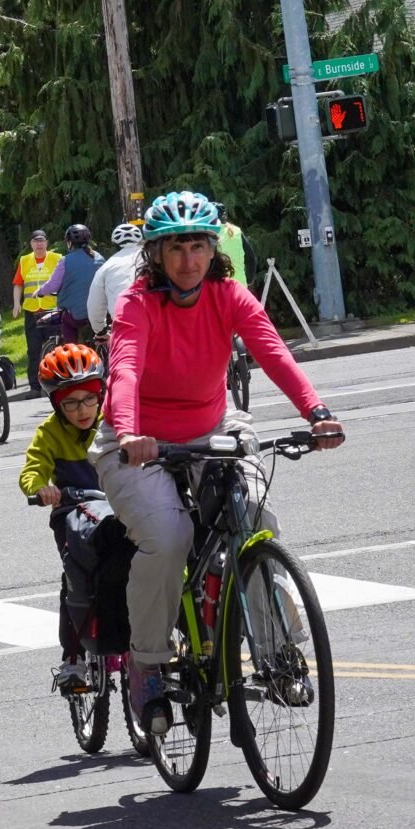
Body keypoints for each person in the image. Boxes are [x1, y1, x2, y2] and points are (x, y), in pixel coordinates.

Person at [87, 191, 344, 735]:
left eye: (199, 246)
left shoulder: (229, 294)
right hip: (137, 440)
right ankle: (147, 664)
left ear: (214, 248)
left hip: (214, 427)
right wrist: (131, 432)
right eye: (176, 247)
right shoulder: (135, 304)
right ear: (155, 254)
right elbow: (125, 369)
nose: (189, 260)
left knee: (254, 521)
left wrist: (317, 412)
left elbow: (272, 350)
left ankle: (277, 656)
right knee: (168, 535)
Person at [18, 344, 124, 692]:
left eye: (90, 399)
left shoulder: (112, 422)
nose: (83, 410)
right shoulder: (49, 433)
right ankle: (73, 659)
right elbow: (32, 470)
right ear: (55, 404)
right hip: (73, 515)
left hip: (117, 509)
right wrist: (41, 488)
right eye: (71, 402)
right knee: (76, 580)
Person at [12, 229, 64, 399]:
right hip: (32, 310)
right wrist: (16, 304)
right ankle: (35, 387)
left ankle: (57, 382)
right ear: (31, 244)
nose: (39, 244)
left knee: (56, 348)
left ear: (47, 243)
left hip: (52, 309)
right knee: (33, 350)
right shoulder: (25, 260)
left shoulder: (57, 259)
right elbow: (18, 284)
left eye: (42, 241)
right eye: (36, 241)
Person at [36, 224, 105, 345]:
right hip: (102, 311)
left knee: (66, 321)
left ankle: (72, 355)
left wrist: (40, 292)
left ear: (69, 242)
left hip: (79, 315)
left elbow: (53, 285)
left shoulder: (65, 261)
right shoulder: (99, 257)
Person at [87, 223, 144, 336]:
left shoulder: (106, 267)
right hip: (158, 323)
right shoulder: (154, 258)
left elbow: (94, 305)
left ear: (115, 245)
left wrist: (100, 330)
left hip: (125, 325)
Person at [215, 205, 259, 289]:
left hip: (219, 289)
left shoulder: (208, 234)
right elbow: (251, 258)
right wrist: (249, 280)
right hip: (240, 288)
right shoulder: (237, 231)